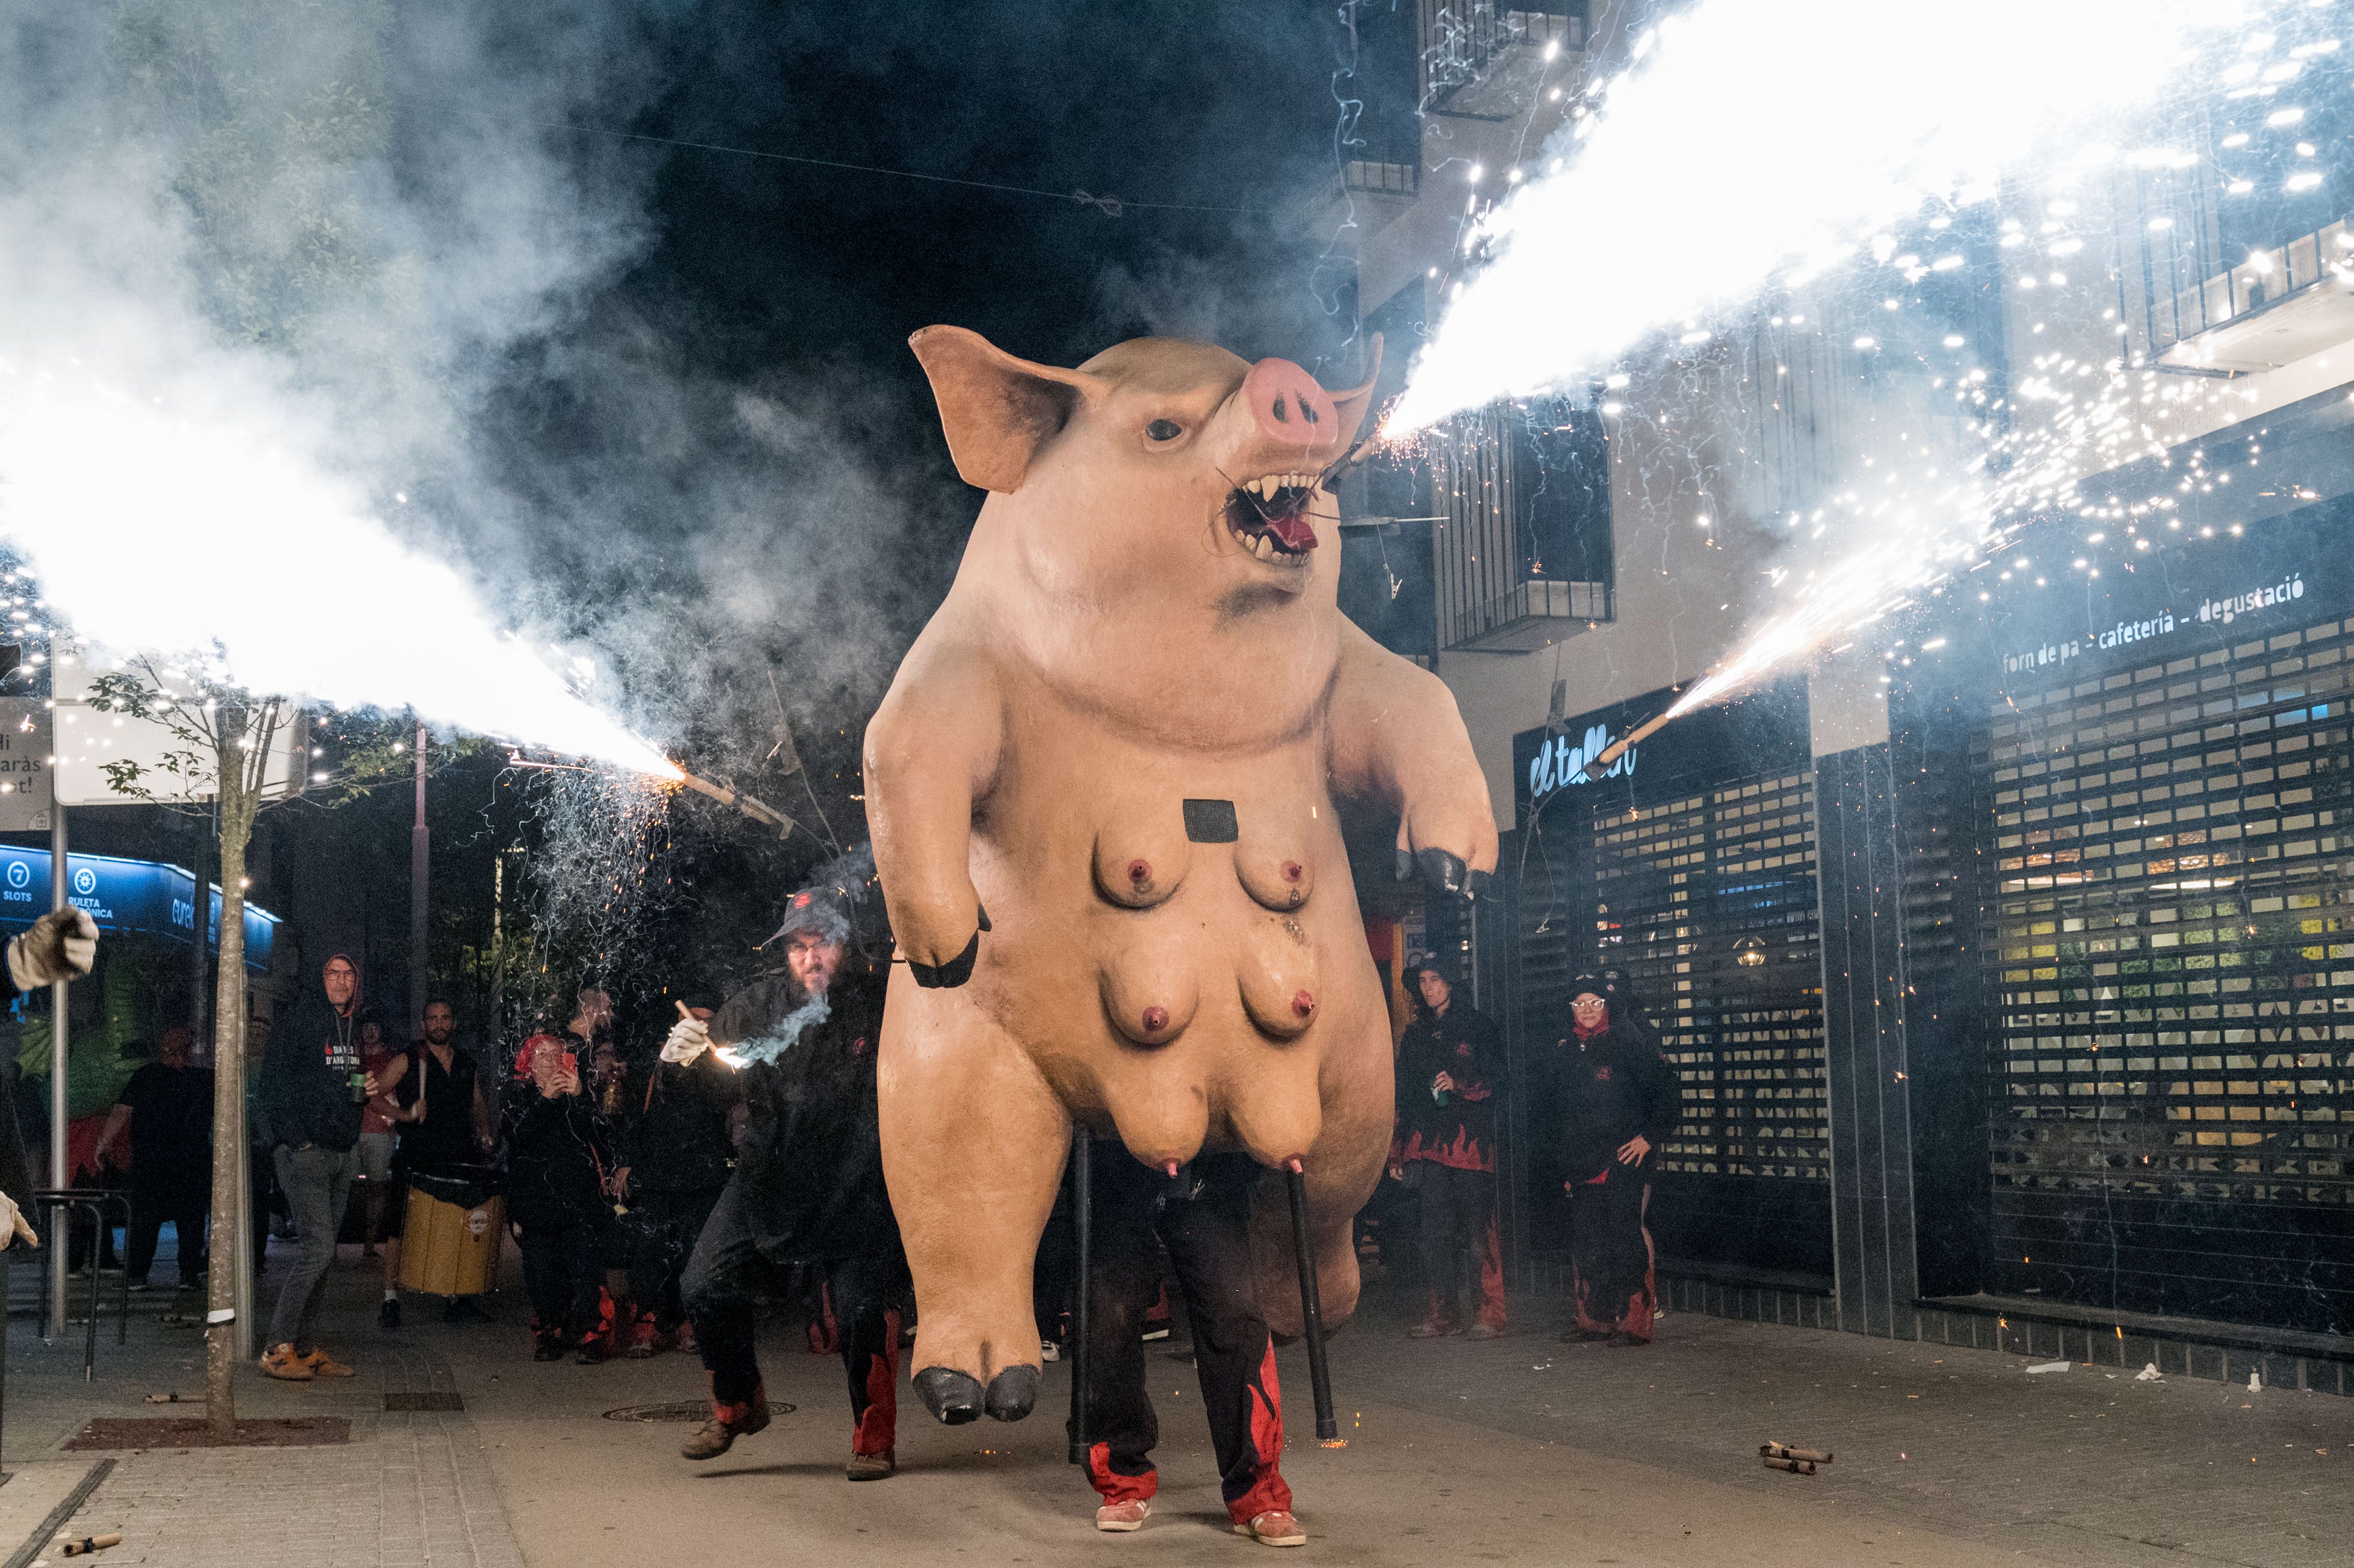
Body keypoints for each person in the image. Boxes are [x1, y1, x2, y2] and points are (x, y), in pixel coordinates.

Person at [666, 881, 907, 1482]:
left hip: (851, 1183)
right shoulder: (754, 1006)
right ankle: (739, 1403)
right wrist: (684, 1063)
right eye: (798, 946)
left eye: (822, 941)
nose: (811, 957)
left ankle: (873, 1439)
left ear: (845, 943)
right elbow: (713, 1087)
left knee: (859, 1314)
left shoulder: (879, 1003)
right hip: (767, 1175)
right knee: (703, 1284)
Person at [1074, 1151, 1304, 1547]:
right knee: (1105, 1309)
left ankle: (1257, 1492)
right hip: (1118, 1170)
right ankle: (1122, 1478)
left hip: (1209, 1174)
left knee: (1234, 1311)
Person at [1540, 970, 1678, 1347]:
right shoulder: (1564, 1051)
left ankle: (1635, 1325)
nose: (1587, 1010)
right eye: (1580, 1004)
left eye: (1595, 1003)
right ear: (1572, 1010)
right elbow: (1554, 1113)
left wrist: (1647, 1139)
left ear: (1606, 1007)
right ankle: (1596, 1322)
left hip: (1622, 1162)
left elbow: (1668, 1096)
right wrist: (1564, 1164)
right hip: (1581, 1164)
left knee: (1624, 1240)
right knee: (1589, 1243)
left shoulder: (1630, 1044)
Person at [256, 952, 374, 1380]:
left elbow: (337, 1084)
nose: (341, 982)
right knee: (317, 1249)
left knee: (324, 1257)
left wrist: (360, 1095)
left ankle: (304, 1349)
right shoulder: (300, 1020)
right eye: (332, 974)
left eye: (348, 974)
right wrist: (298, 1141)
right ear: (320, 977)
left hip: (343, 1151)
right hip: (306, 1153)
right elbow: (272, 1084)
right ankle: (275, 1350)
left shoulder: (352, 1026)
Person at [1390, 954, 1507, 1340]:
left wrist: (1459, 1083)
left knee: (1477, 1232)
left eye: (1436, 979)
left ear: (1452, 983)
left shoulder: (1478, 1027)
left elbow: (1501, 1082)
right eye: (1422, 981)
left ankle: (1489, 1314)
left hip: (1471, 1148)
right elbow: (1402, 1096)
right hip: (1427, 1147)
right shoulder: (1415, 1036)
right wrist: (1397, 1150)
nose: (1428, 988)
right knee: (1434, 1233)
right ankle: (1443, 1315)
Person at [617, 1005, 734, 1357]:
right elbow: (634, 1114)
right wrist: (627, 1163)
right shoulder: (656, 1063)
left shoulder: (719, 1062)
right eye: (692, 1019)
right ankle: (650, 1325)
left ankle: (690, 1326)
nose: (699, 1025)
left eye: (706, 1020)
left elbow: (725, 1103)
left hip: (701, 1178)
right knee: (650, 1256)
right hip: (656, 1177)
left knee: (694, 1256)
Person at [374, 1000, 494, 1328]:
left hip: (457, 1154)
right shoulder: (408, 1060)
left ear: (453, 1023)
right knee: (398, 1226)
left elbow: (478, 1103)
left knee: (456, 1224)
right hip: (416, 1152)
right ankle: (390, 1299)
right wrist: (405, 1114)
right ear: (424, 1024)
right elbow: (373, 1094)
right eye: (433, 1018)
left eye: (445, 1017)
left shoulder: (466, 1063)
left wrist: (484, 1132)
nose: (439, 1023)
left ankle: (454, 1297)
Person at [504, 1032, 619, 1362]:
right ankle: (551, 1334)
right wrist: (544, 1099)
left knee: (586, 1270)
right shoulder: (518, 1094)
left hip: (578, 1200)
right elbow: (515, 1135)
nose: (552, 1062)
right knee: (542, 1275)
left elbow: (602, 1132)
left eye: (557, 1055)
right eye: (542, 1056)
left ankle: (593, 1336)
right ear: (528, 1063)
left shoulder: (578, 1093)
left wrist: (581, 1096)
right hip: (536, 1203)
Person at [94, 1026, 214, 1293]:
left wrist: (104, 1144)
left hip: (152, 1160)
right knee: (190, 1219)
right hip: (191, 1160)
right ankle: (189, 1274)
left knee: (146, 1218)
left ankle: (137, 1275)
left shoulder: (146, 1076)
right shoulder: (206, 1080)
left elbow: (121, 1113)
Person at [355, 1018, 399, 1262]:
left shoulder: (392, 1059)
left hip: (379, 1132)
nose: (371, 1031)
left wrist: (392, 1120)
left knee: (377, 1188)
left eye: (375, 1026)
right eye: (366, 1027)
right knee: (344, 1187)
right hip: (351, 1131)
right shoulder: (352, 1056)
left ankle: (369, 1245)